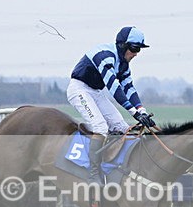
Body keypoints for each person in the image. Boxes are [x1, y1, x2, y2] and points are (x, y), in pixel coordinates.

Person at [66, 26, 155, 185]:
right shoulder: (105, 56)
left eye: (138, 50)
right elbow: (114, 88)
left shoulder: (124, 65)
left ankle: (114, 166)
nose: (135, 54)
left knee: (122, 127)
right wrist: (134, 112)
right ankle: (93, 174)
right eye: (134, 49)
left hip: (96, 92)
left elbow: (129, 88)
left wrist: (142, 111)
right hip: (79, 89)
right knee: (100, 127)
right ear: (123, 45)